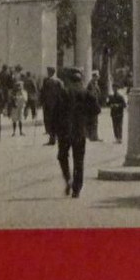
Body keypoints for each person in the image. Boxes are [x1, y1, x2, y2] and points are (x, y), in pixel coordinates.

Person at [54, 68, 100, 198]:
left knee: (62, 156)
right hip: (80, 131)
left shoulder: (64, 92)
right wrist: (87, 120)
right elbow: (97, 109)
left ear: (69, 80)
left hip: (65, 132)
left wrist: (55, 129)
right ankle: (77, 188)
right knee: (79, 160)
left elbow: (55, 112)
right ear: (80, 80)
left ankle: (68, 178)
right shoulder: (86, 93)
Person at [39, 67, 63, 145]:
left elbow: (43, 93)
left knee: (49, 121)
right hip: (57, 105)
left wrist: (40, 101)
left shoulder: (47, 81)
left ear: (50, 72)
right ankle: (57, 137)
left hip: (48, 105)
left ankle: (52, 138)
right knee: (57, 121)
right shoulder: (59, 81)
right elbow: (63, 93)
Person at [85, 71, 103, 142]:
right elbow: (92, 95)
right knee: (93, 121)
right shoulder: (91, 84)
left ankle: (93, 136)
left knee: (94, 121)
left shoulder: (95, 84)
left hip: (94, 105)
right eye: (97, 76)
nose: (98, 78)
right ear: (94, 76)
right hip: (92, 106)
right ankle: (93, 137)